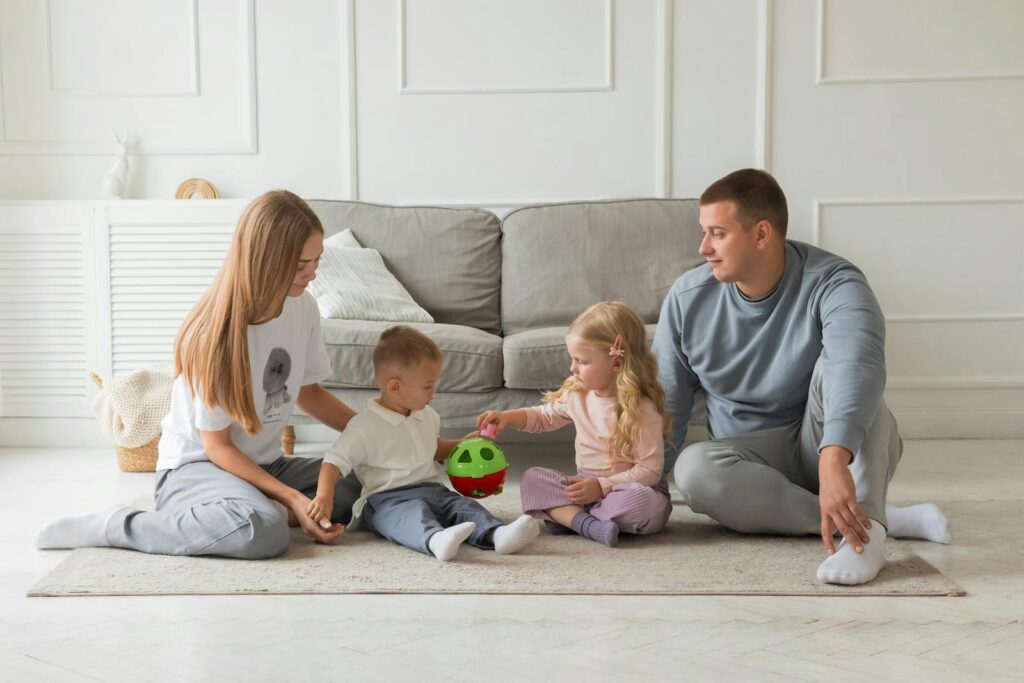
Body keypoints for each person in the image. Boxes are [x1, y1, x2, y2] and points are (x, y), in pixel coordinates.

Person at [653, 169, 950, 585]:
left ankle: (863, 540)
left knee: (851, 376)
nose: (703, 248)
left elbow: (857, 361)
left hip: (827, 446)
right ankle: (870, 521)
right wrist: (643, 484)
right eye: (704, 233)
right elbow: (668, 401)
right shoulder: (688, 298)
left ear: (761, 234)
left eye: (717, 234)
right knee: (694, 471)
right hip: (747, 462)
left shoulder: (835, 281)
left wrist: (833, 455)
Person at [36, 190, 362, 558]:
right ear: (267, 261)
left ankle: (261, 509)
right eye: (302, 264)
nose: (313, 273)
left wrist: (379, 432)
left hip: (264, 466)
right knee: (262, 533)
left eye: (317, 260)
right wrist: (290, 497)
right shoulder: (214, 335)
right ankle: (118, 525)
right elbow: (217, 446)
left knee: (360, 478)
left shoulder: (303, 307)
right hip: (197, 469)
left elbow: (308, 393)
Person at [307, 326, 540, 562]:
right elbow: (333, 462)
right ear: (395, 387)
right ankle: (435, 539)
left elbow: (433, 448)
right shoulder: (363, 427)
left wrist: (460, 445)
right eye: (428, 386)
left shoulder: (426, 415)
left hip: (432, 489)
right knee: (410, 517)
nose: (434, 392)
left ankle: (496, 534)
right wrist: (324, 497)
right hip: (386, 499)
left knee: (462, 506)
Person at [478, 301, 672, 548]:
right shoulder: (577, 394)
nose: (573, 368)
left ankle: (570, 517)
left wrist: (602, 487)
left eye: (582, 361)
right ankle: (589, 524)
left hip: (627, 488)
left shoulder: (641, 408)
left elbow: (650, 470)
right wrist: (507, 417)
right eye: (573, 359)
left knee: (642, 504)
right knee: (532, 480)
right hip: (584, 487)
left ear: (616, 363)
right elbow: (542, 417)